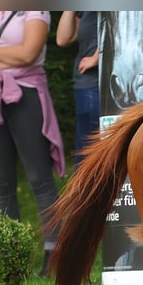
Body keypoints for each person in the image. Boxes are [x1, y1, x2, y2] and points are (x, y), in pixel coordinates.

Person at [0, 11, 65, 277]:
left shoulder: (33, 7)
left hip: (26, 94)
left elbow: (29, 54)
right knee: (1, 182)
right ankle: (9, 261)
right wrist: (9, 58)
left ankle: (56, 256)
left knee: (40, 179)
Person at [56, 11, 99, 171]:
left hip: (105, 84)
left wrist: (96, 57)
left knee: (96, 155)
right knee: (85, 157)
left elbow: (125, 25)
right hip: (85, 84)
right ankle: (84, 194)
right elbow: (62, 39)